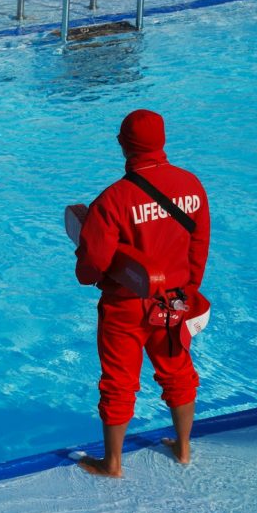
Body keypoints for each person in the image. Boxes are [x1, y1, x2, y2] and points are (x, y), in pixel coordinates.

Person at [74, 110, 210, 477]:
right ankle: (182, 448)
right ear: (162, 141)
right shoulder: (192, 186)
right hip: (175, 299)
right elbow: (199, 245)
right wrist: (188, 290)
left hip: (125, 307)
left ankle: (112, 463)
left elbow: (92, 265)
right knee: (178, 371)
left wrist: (86, 271)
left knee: (119, 381)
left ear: (123, 144)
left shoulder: (114, 200)